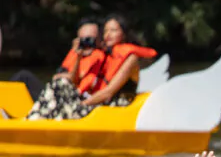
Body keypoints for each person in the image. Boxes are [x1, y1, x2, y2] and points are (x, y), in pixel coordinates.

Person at [27, 14, 156, 120]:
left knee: (67, 104)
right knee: (59, 85)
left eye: (114, 30)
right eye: (105, 31)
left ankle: (39, 119)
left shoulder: (131, 58)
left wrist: (81, 104)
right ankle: (33, 117)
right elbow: (75, 82)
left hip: (114, 107)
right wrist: (78, 56)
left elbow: (108, 92)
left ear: (124, 34)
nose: (108, 34)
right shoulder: (106, 55)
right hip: (97, 102)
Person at [7, 17, 105, 105]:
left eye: (90, 39)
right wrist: (77, 57)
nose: (86, 43)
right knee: (24, 76)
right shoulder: (75, 53)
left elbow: (72, 81)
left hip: (72, 99)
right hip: (56, 93)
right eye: (83, 39)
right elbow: (57, 77)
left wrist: (69, 75)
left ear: (99, 39)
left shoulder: (101, 57)